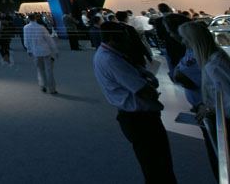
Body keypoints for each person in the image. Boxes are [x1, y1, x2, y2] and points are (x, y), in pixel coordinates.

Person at [93, 22, 177, 183]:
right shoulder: (111, 60)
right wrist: (151, 88)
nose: (128, 42)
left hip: (136, 117)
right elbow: (142, 89)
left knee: (155, 164)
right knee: (157, 166)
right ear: (112, 39)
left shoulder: (110, 55)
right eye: (124, 38)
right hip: (140, 119)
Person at [178, 20, 230, 178]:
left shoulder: (214, 64)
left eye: (186, 38)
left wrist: (209, 108)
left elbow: (227, 99)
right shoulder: (212, 60)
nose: (183, 42)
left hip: (224, 122)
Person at [23, 14, 59, 94]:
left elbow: (26, 41)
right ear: (35, 18)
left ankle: (43, 85)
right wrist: (55, 50)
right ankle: (52, 89)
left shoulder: (25, 28)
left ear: (28, 19)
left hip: (35, 52)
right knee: (49, 71)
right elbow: (49, 40)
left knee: (40, 70)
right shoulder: (41, 27)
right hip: (46, 51)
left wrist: (29, 50)